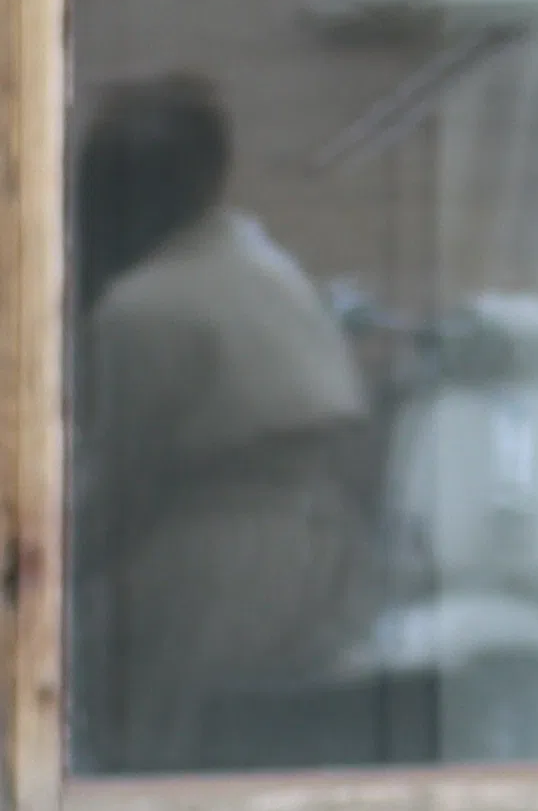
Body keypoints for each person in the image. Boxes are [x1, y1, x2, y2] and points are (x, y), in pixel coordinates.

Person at [67, 76, 375, 773]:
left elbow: (120, 479)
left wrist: (45, 563)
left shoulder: (141, 310)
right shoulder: (268, 270)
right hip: (325, 554)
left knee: (160, 758)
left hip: (216, 569)